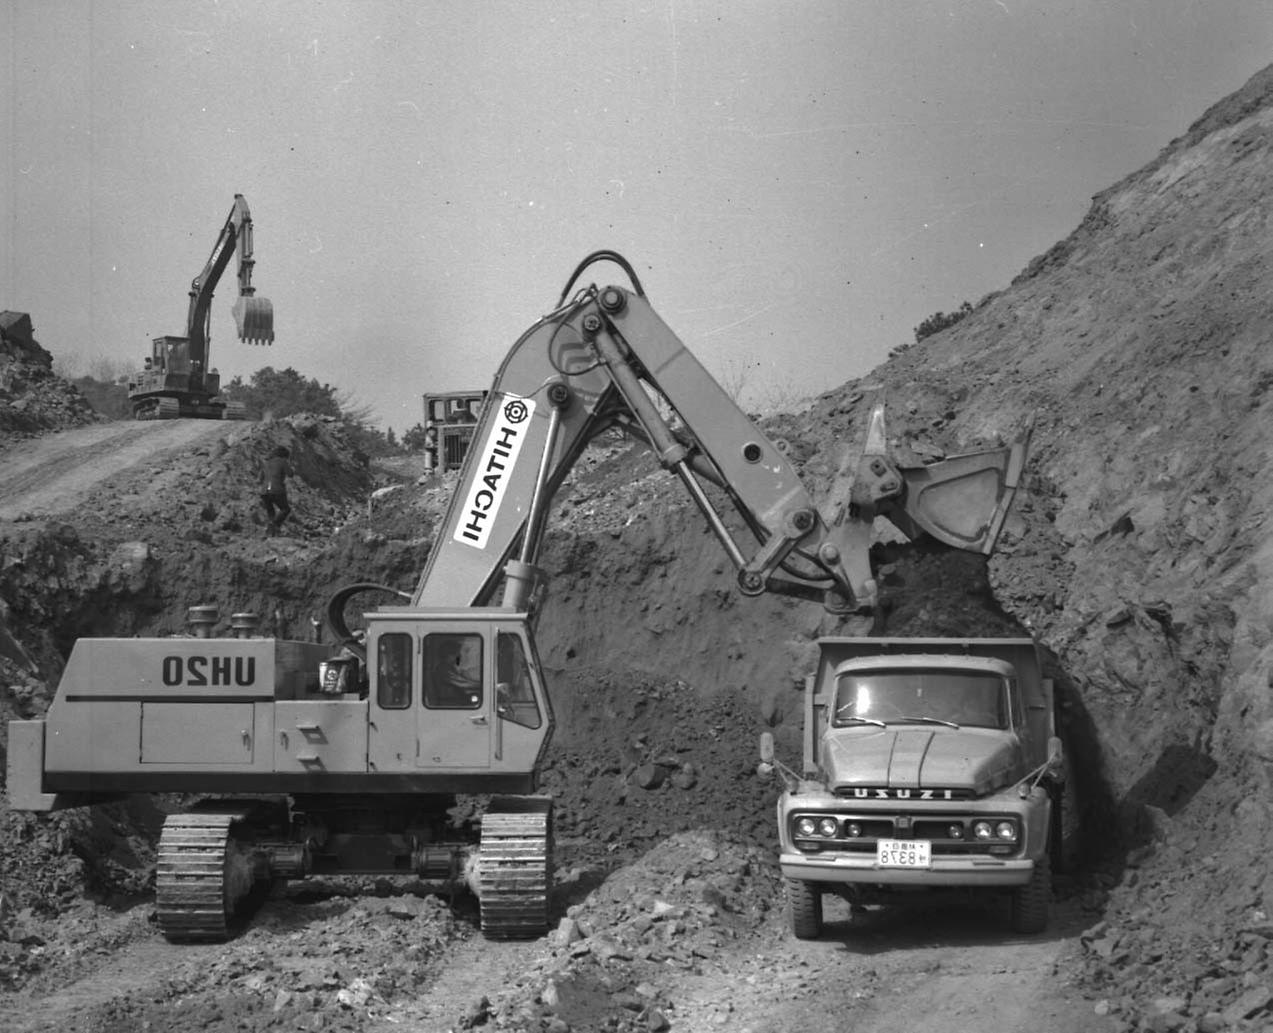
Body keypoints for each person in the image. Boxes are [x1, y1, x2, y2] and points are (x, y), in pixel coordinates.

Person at [259, 445, 293, 535]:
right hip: (276, 489)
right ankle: (274, 525)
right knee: (285, 509)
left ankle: (272, 532)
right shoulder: (283, 461)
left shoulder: (266, 463)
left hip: (264, 491)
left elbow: (260, 478)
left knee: (271, 511)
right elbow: (290, 474)